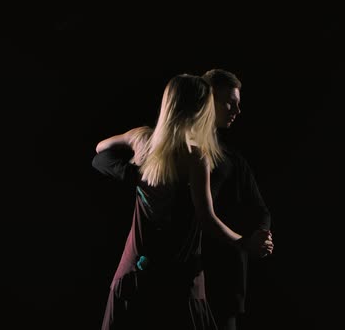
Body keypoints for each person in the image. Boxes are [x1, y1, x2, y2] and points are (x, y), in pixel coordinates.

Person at [91, 73, 272, 330]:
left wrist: (133, 167)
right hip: (175, 283)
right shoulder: (195, 157)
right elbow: (206, 218)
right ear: (199, 110)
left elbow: (100, 149)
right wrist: (245, 243)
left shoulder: (141, 138)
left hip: (132, 276)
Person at [200, 68, 273, 330]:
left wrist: (262, 235)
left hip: (224, 278)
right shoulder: (183, 153)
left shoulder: (233, 161)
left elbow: (260, 209)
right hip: (192, 273)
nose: (237, 111)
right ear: (209, 100)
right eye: (230, 102)